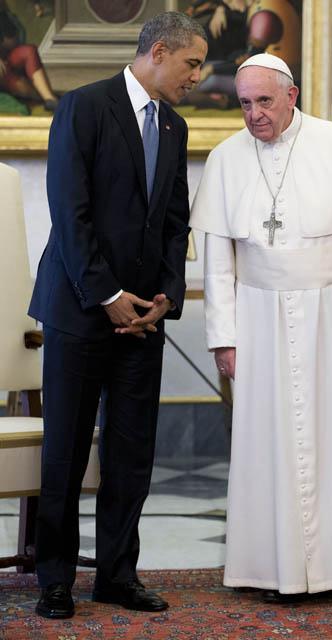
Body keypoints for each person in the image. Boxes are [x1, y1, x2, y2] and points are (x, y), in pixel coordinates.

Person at [190, 53, 332, 606]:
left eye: (264, 101)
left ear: (291, 95)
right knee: (273, 443)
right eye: (244, 104)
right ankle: (278, 569)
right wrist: (224, 337)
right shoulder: (225, 159)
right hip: (261, 320)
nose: (254, 115)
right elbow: (217, 261)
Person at [29, 11, 207, 619]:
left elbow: (175, 221)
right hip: (80, 309)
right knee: (68, 448)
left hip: (144, 320)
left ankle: (117, 576)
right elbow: (69, 213)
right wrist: (107, 297)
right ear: (159, 51)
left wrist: (165, 296)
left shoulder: (176, 127)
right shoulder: (83, 106)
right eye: (192, 63)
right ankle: (53, 578)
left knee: (133, 452)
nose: (197, 75)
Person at [0, 0, 58, 111]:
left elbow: (16, 40)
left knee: (29, 50)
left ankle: (49, 99)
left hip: (6, 59)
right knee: (11, 77)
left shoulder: (4, 16)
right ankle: (37, 95)